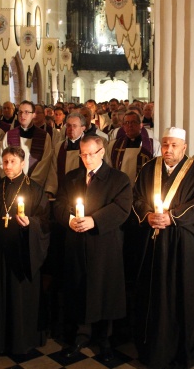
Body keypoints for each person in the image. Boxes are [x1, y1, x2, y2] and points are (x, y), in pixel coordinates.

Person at [132, 127, 194, 369]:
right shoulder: (149, 168)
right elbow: (136, 197)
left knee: (181, 296)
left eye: (174, 145)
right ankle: (152, 349)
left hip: (182, 245)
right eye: (165, 144)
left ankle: (183, 352)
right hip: (152, 242)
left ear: (184, 147)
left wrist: (172, 217)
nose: (168, 150)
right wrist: (147, 215)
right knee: (152, 294)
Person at [54, 135, 132, 362]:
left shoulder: (118, 179)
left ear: (102, 152)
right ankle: (80, 335)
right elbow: (59, 204)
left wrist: (94, 221)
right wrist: (69, 220)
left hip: (104, 244)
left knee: (103, 289)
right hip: (77, 243)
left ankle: (104, 338)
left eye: (91, 153)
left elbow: (121, 208)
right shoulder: (72, 177)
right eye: (83, 154)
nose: (86, 158)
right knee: (79, 287)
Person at [0, 146, 51, 354]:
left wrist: (31, 223)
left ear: (23, 164)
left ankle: (22, 340)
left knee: (20, 298)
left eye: (13, 161)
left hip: (22, 253)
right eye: (5, 162)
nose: (8, 166)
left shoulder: (35, 190)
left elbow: (46, 222)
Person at [3, 100, 54, 192]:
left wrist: (31, 182)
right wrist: (14, 179)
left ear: (33, 115)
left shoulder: (44, 136)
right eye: (20, 112)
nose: (22, 115)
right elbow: (2, 159)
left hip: (34, 187)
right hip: (12, 184)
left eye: (26, 112)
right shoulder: (9, 135)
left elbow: (45, 162)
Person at [106, 110, 160, 184]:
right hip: (120, 186)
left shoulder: (153, 145)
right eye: (127, 123)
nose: (130, 125)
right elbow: (109, 167)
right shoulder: (113, 145)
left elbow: (157, 167)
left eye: (133, 122)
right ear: (123, 126)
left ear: (140, 125)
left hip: (143, 186)